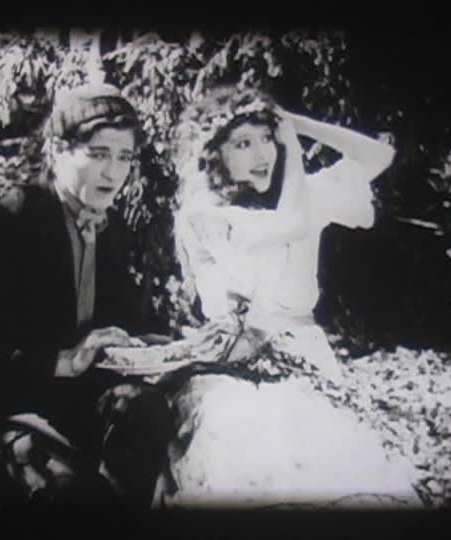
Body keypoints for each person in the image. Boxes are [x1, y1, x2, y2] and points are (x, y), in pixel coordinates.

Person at [154, 85, 421, 507]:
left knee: (334, 478)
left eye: (267, 138)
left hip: (307, 356)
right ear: (213, 155)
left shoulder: (301, 194)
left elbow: (378, 157)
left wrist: (296, 124)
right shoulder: (205, 214)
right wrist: (294, 152)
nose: (263, 153)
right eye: (242, 143)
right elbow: (290, 225)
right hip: (233, 368)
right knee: (252, 472)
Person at [0, 83, 174, 508]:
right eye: (98, 154)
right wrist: (61, 362)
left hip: (80, 403)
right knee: (70, 495)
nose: (113, 173)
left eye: (124, 157)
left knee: (148, 410)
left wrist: (158, 347)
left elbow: (119, 324)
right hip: (5, 412)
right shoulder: (1, 222)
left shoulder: (113, 228)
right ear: (58, 151)